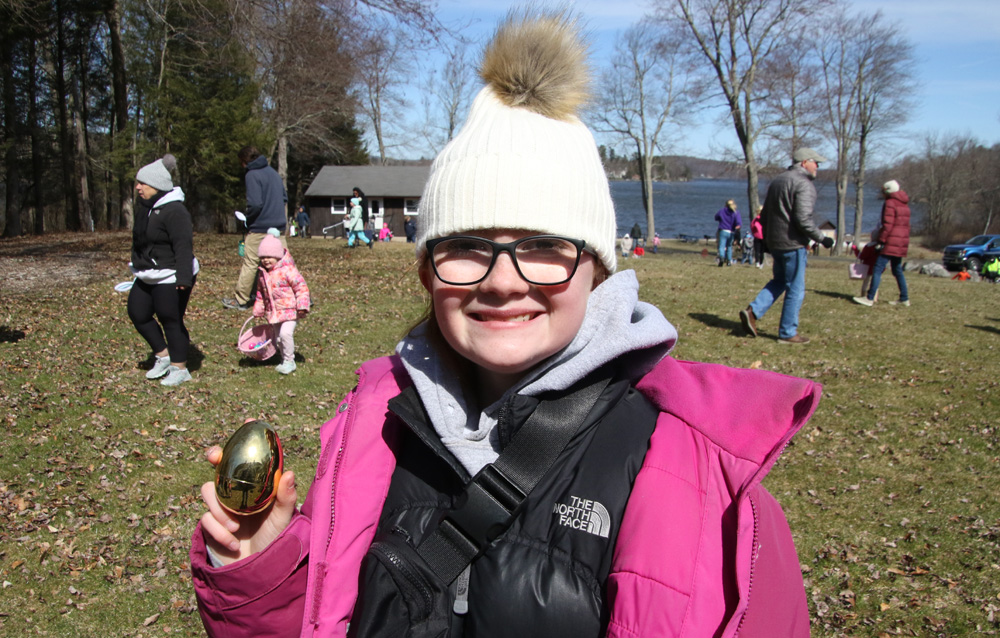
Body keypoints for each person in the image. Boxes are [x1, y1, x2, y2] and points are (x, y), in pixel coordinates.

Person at [191, 12, 817, 638]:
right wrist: (264, 572)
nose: (502, 280)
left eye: (543, 244)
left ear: (595, 271)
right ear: (428, 274)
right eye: (466, 244)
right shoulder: (371, 432)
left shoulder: (706, 484)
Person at [739, 148, 835, 344]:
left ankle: (753, 311)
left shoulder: (778, 181)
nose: (818, 166)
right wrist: (822, 238)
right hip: (793, 243)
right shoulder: (804, 184)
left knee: (780, 280)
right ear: (804, 162)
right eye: (815, 162)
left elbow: (764, 215)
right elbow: (803, 219)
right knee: (795, 288)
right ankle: (788, 332)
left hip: (776, 242)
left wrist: (767, 240)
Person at [127, 154, 199, 387]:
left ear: (157, 186)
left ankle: (180, 368)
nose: (138, 187)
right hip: (148, 273)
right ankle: (163, 355)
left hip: (171, 274)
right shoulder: (146, 208)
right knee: (137, 312)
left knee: (170, 319)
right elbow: (140, 241)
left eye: (142, 183)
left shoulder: (175, 211)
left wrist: (183, 277)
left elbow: (183, 246)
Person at [223, 146, 288, 310]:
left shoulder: (252, 175)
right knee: (284, 264)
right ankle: (297, 295)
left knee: (251, 263)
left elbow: (255, 203)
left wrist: (248, 219)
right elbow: (284, 197)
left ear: (244, 161)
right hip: (278, 227)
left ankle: (241, 299)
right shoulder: (273, 173)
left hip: (260, 227)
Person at [253, 233, 310, 374]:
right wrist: (259, 308)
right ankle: (284, 359)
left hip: (290, 310)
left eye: (269, 257)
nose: (266, 260)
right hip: (275, 312)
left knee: (285, 334)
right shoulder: (263, 274)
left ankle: (290, 361)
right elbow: (261, 293)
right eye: (263, 257)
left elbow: (301, 288)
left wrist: (302, 306)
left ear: (278, 256)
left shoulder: (288, 270)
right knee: (278, 338)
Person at [853, 180, 911, 307]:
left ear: (887, 191)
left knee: (877, 268)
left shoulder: (890, 203)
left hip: (891, 240)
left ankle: (869, 297)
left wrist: (881, 240)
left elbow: (887, 225)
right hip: (901, 242)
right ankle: (904, 298)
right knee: (897, 270)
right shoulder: (905, 204)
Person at [714, 200, 742, 266]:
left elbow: (716, 217)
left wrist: (721, 220)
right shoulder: (736, 212)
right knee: (729, 246)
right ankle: (729, 261)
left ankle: (721, 257)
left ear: (726, 204)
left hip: (723, 230)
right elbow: (739, 223)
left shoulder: (722, 211)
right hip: (731, 231)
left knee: (722, 245)